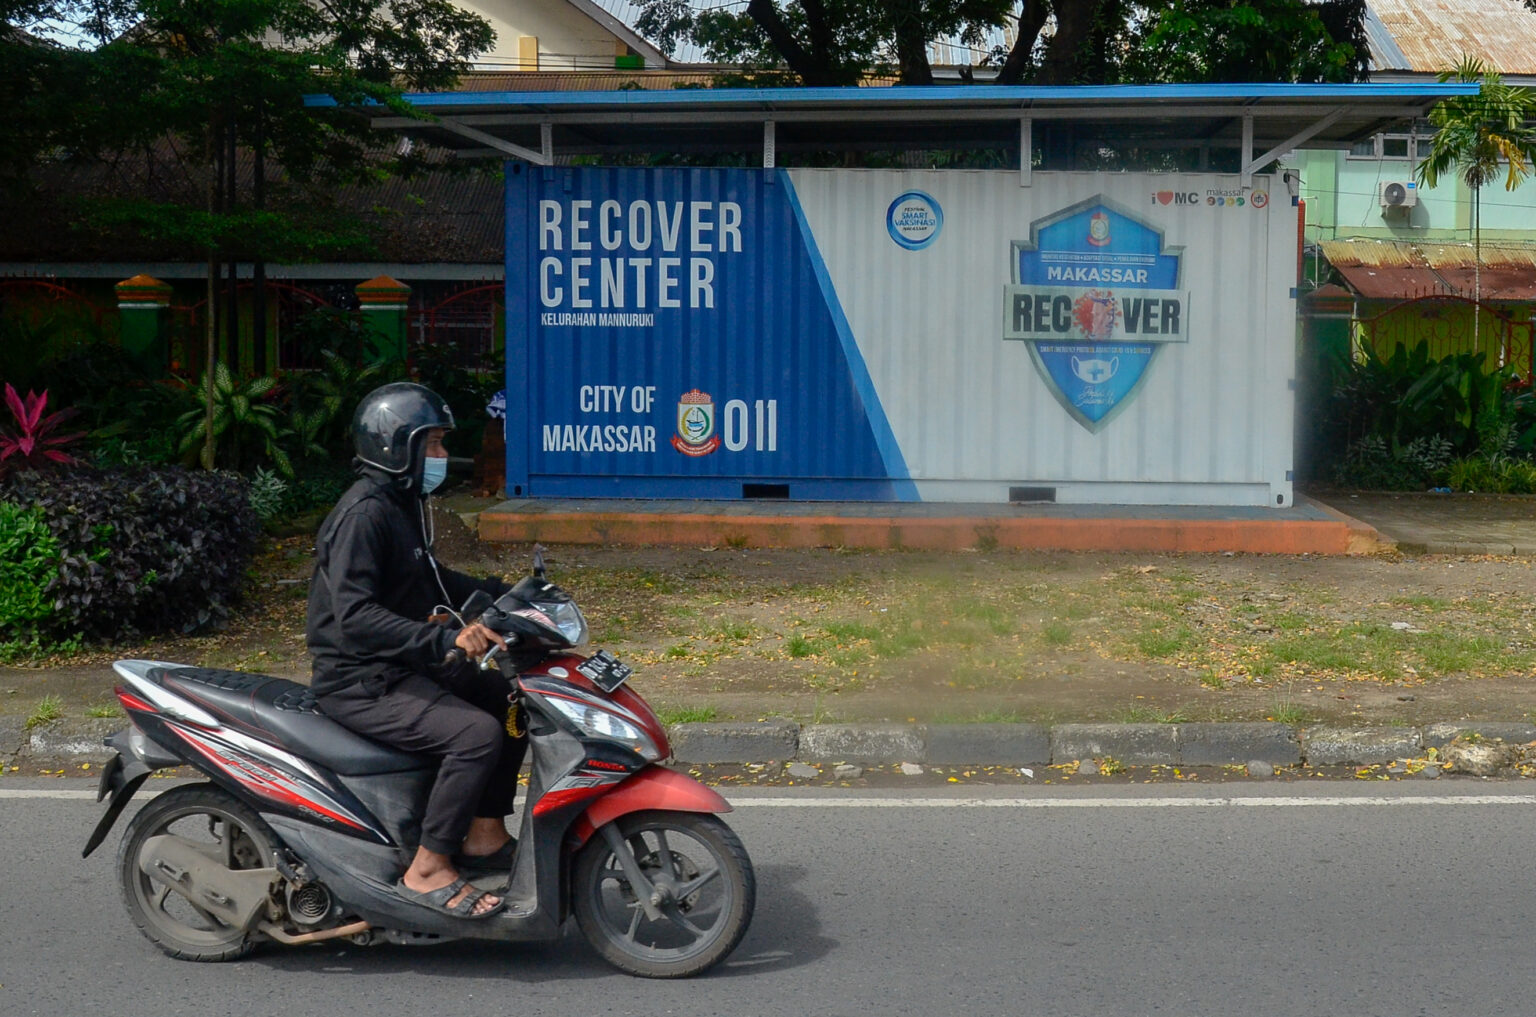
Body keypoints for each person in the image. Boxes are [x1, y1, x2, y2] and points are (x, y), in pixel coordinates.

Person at [306, 381, 524, 919]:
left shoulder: (402, 504)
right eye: (434, 445)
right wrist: (447, 637)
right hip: (360, 680)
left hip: (398, 664)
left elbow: (431, 578)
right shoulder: (364, 516)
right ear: (396, 447)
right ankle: (427, 868)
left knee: (510, 697)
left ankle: (483, 834)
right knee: (475, 734)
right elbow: (354, 618)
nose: (444, 457)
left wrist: (504, 593)